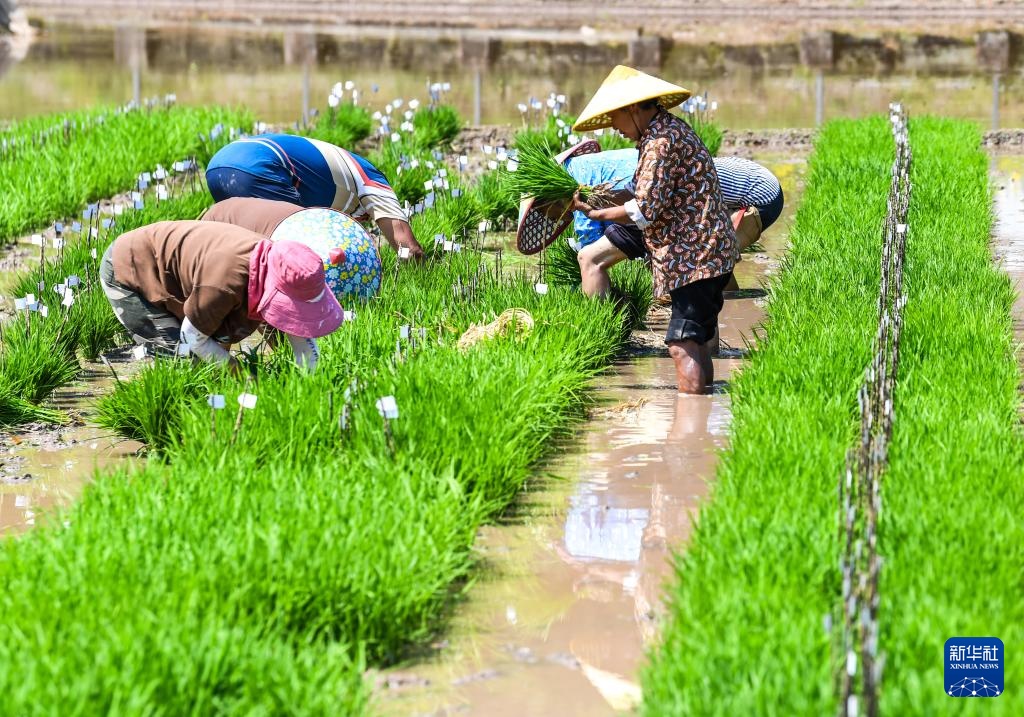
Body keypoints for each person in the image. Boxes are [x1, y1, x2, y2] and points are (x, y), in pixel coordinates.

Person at [571, 65, 738, 395]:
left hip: (695, 257)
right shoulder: (663, 133)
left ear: (632, 108)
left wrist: (598, 212)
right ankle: (701, 412)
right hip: (707, 253)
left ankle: (687, 435)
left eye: (614, 117)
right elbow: (644, 194)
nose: (613, 128)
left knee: (681, 343)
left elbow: (645, 209)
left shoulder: (660, 142)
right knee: (698, 341)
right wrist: (594, 196)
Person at [100, 220, 343, 372]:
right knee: (184, 363)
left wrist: (308, 380)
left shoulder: (280, 262)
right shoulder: (225, 282)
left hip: (195, 277)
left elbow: (301, 339)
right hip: (131, 270)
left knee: (212, 352)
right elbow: (192, 336)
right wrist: (236, 371)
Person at [552, 145, 783, 293]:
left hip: (759, 196)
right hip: (732, 192)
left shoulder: (657, 155)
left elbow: (640, 210)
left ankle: (723, 334)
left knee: (705, 265)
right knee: (708, 260)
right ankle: (732, 304)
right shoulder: (642, 158)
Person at [205, 133, 425, 260]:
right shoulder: (374, 182)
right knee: (290, 257)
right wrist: (423, 276)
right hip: (260, 166)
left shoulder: (323, 190)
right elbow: (407, 248)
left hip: (218, 164)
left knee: (251, 253)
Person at [201, 197, 384, 304]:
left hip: (241, 220)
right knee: (223, 300)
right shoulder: (284, 245)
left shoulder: (316, 225)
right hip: (217, 226)